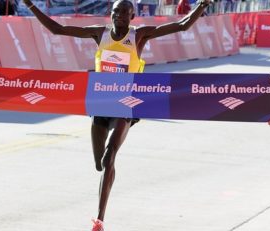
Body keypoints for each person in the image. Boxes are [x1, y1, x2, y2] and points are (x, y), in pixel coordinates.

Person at [22, 0, 210, 230]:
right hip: (100, 103)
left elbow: (182, 25)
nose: (118, 16)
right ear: (110, 15)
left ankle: (99, 219)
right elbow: (57, 29)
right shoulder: (98, 33)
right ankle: (105, 175)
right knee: (100, 164)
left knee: (110, 155)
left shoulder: (139, 36)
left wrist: (201, 5)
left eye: (123, 13)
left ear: (132, 17)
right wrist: (30, 5)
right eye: (114, 12)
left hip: (125, 105)